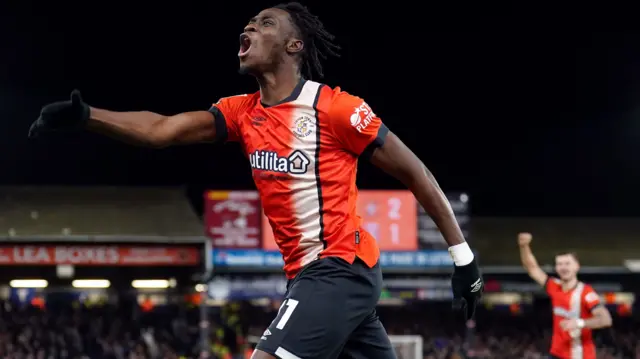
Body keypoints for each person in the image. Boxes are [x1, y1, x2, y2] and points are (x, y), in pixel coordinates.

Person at [29, 3, 484, 358]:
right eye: (248, 23)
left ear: (294, 46)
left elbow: (415, 172)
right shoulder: (242, 113)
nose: (248, 29)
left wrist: (463, 260)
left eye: (264, 24)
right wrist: (88, 116)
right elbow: (161, 130)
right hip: (311, 277)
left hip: (339, 268)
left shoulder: (336, 109)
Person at [518, 232, 612, 359]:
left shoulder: (586, 293)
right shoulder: (554, 286)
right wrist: (524, 246)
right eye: (560, 264)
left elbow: (606, 319)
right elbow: (532, 269)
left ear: (576, 267)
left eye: (567, 263)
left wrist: (579, 323)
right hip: (556, 354)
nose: (563, 267)